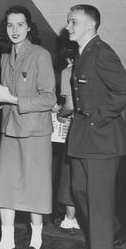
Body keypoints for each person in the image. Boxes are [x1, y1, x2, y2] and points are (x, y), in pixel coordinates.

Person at [65, 4, 126, 249]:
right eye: (68, 21)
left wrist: (96, 119)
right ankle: (114, 230)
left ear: (90, 26)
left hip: (103, 137)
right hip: (85, 135)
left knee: (98, 197)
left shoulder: (102, 53)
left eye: (73, 22)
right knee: (79, 189)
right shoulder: (83, 53)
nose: (68, 27)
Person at [0, 6, 56, 249]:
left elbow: (48, 99)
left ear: (29, 27)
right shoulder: (4, 58)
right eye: (10, 26)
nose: (14, 30)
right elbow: (6, 98)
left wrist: (11, 97)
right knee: (5, 185)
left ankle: (37, 241)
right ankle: (6, 242)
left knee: (35, 187)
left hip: (35, 131)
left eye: (20, 25)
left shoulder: (41, 55)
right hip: (10, 129)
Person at [55, 55, 81, 232]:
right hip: (94, 129)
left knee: (69, 173)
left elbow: (70, 106)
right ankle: (78, 217)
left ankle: (69, 218)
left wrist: (59, 113)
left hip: (75, 127)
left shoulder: (67, 72)